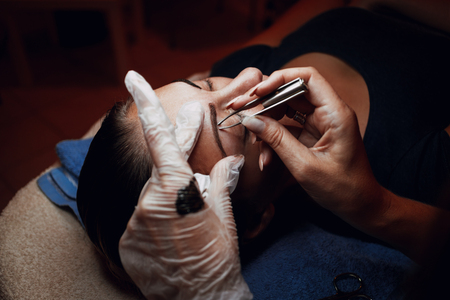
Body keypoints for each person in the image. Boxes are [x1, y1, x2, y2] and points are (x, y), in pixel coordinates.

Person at [76, 0, 450, 297]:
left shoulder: (240, 66)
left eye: (204, 85)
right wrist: (373, 207)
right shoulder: (416, 171)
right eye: (235, 127)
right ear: (257, 218)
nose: (249, 76)